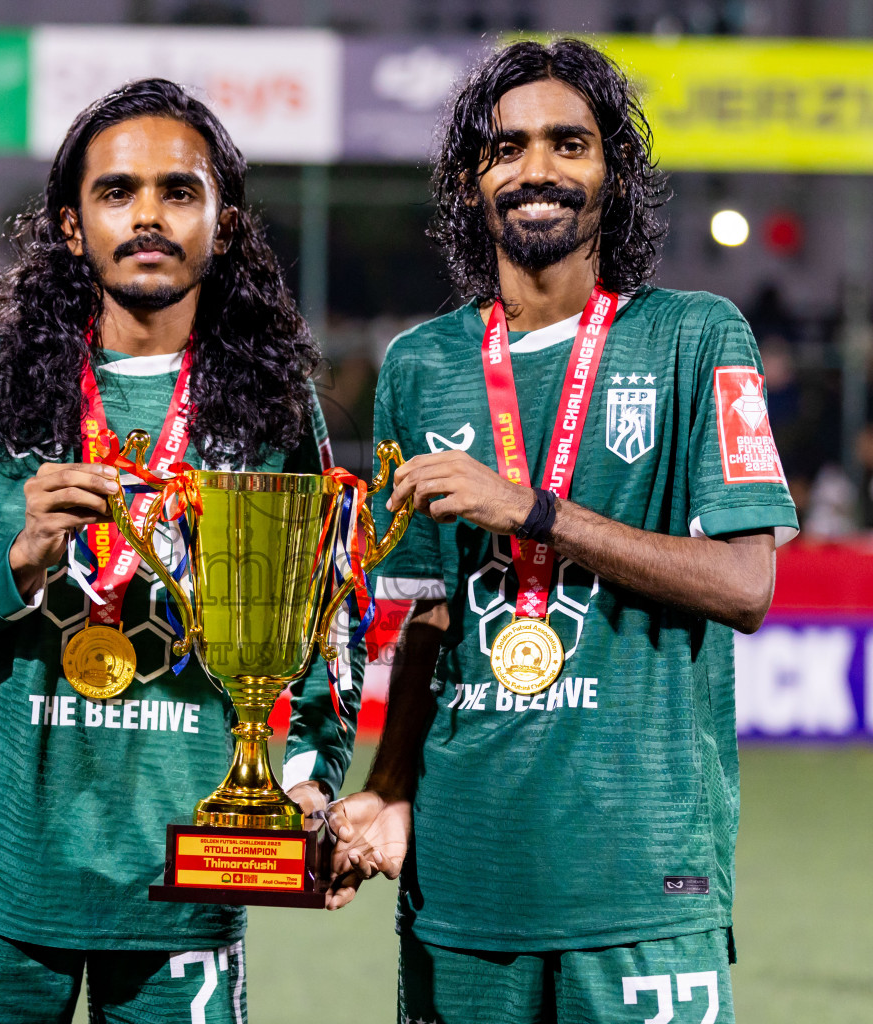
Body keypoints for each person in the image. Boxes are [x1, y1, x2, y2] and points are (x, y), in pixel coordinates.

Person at [326, 39, 798, 1024]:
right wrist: (386, 788)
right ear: (469, 184)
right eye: (507, 149)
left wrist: (534, 511)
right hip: (462, 889)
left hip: (643, 884)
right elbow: (427, 615)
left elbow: (748, 585)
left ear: (614, 174)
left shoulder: (696, 337)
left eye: (569, 144)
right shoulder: (418, 366)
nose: (537, 168)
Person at [0, 79, 355, 1023]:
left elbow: (322, 629)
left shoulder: (268, 403)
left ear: (222, 219)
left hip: (186, 880)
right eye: (117, 191)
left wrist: (306, 780)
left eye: (180, 191)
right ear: (70, 225)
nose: (149, 215)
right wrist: (13, 561)